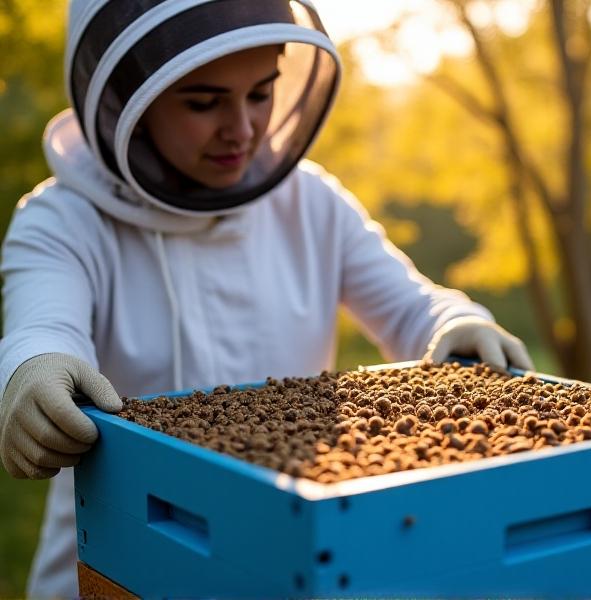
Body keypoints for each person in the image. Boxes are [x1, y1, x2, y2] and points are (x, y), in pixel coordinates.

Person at [0, 1, 533, 596]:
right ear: (131, 98)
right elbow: (41, 326)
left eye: (262, 92)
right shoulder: (63, 220)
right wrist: (33, 372)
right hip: (109, 567)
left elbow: (415, 308)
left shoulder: (312, 203)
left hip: (287, 554)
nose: (244, 129)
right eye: (204, 102)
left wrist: (458, 320)